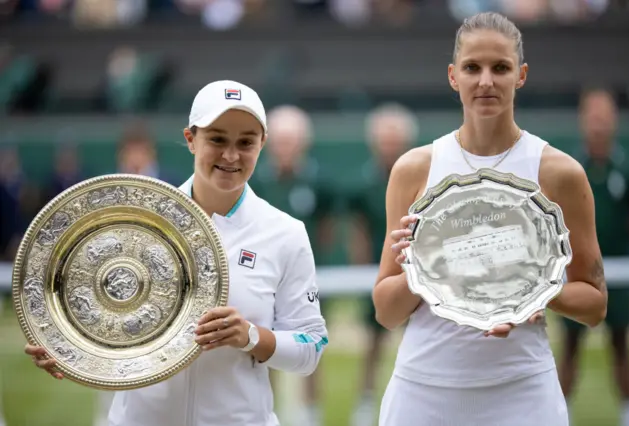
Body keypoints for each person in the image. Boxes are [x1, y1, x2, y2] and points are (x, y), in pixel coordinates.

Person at [24, 79, 329, 426]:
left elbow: (311, 347)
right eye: (217, 139)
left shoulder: (285, 233)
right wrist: (67, 347)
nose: (231, 155)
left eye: (246, 142)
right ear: (190, 139)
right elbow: (102, 313)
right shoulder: (136, 220)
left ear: (263, 144)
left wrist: (250, 336)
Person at [374, 12, 607, 426]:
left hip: (522, 389)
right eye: (472, 68)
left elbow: (594, 304)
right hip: (423, 390)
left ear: (521, 75)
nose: (485, 81)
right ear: (452, 76)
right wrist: (425, 267)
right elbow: (387, 312)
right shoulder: (414, 169)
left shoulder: (560, 172)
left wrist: (535, 289)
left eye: (500, 68)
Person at [249, 105, 337, 426]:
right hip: (264, 281)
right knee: (264, 349)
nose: (286, 148)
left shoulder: (318, 181)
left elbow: (326, 230)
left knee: (312, 346)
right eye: (281, 141)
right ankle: (267, 414)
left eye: (292, 141)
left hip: (307, 283)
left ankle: (309, 416)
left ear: (303, 143)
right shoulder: (256, 180)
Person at [558, 88, 629, 426]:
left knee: (621, 345)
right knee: (570, 346)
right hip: (575, 272)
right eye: (593, 116)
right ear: (582, 121)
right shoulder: (568, 168)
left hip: (618, 273)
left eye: (604, 116)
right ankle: (558, 416)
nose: (599, 124)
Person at [346, 103, 417, 426]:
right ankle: (366, 402)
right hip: (378, 271)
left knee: (416, 340)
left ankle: (414, 401)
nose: (389, 146)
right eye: (384, 139)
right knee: (373, 342)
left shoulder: (420, 178)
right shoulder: (363, 183)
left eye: (394, 139)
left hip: (414, 274)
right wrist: (364, 270)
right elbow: (357, 231)